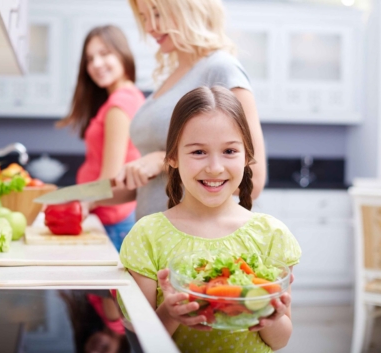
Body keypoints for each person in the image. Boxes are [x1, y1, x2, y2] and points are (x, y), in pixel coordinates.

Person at [120, 86, 302, 352]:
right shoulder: (147, 236)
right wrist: (170, 314)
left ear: (247, 157)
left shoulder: (271, 234)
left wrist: (269, 315)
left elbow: (281, 339)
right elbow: (137, 340)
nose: (215, 167)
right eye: (198, 152)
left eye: (229, 151)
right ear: (172, 157)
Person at [101, 0, 267, 221]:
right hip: (153, 241)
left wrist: (162, 160)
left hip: (192, 246)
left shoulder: (221, 69)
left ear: (189, 8)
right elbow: (151, 184)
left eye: (157, 14)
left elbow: (252, 180)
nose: (149, 27)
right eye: (144, 17)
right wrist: (87, 198)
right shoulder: (173, 76)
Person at [56, 25, 145, 251]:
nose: (96, 64)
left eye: (104, 54)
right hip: (115, 218)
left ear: (122, 53)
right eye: (90, 58)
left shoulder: (119, 104)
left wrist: (80, 203)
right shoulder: (130, 96)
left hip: (112, 222)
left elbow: (110, 179)